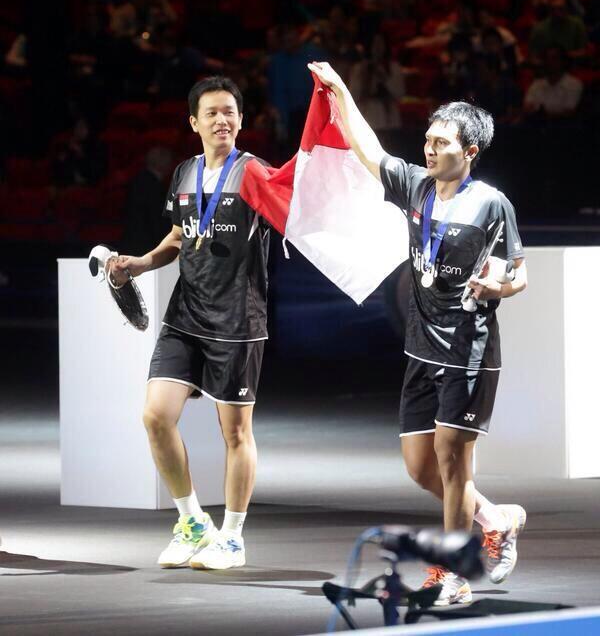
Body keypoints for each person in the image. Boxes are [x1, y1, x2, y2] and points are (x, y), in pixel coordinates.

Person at [308, 61, 528, 605]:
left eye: (441, 143)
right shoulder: (416, 187)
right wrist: (340, 93)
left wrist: (500, 288)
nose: (429, 150)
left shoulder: (491, 204)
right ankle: (496, 518)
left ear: (470, 151)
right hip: (420, 347)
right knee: (420, 467)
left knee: (454, 462)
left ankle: (451, 573)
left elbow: (519, 271)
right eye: (427, 141)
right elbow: (369, 149)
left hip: (467, 350)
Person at [111, 76, 270, 570]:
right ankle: (192, 521)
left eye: (230, 111)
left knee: (236, 433)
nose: (222, 119)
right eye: (212, 112)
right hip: (186, 314)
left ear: (240, 120)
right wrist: (140, 262)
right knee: (156, 416)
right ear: (194, 122)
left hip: (237, 319)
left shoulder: (256, 174)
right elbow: (181, 236)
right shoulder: (183, 173)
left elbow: (294, 215)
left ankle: (233, 536)